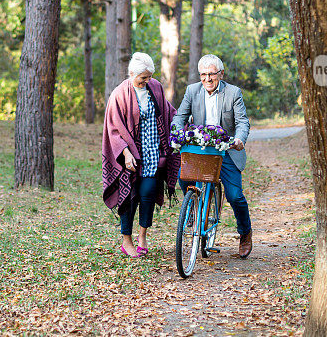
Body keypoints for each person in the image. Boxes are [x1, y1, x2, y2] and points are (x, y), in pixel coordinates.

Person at [172, 54, 253, 258]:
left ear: (221, 74)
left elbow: (243, 122)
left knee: (235, 196)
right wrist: (177, 133)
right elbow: (179, 117)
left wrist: (239, 139)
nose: (207, 79)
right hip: (201, 148)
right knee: (184, 176)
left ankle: (245, 233)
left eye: (212, 74)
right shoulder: (192, 91)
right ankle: (193, 207)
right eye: (203, 75)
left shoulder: (233, 93)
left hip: (226, 150)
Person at [102, 52, 181, 258]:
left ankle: (142, 235)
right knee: (128, 196)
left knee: (147, 193)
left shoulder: (154, 87)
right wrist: (126, 153)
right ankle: (126, 240)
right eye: (143, 78)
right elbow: (113, 129)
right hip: (131, 155)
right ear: (131, 73)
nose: (147, 81)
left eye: (149, 77)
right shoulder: (119, 94)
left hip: (153, 152)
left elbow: (167, 111)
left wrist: (183, 121)